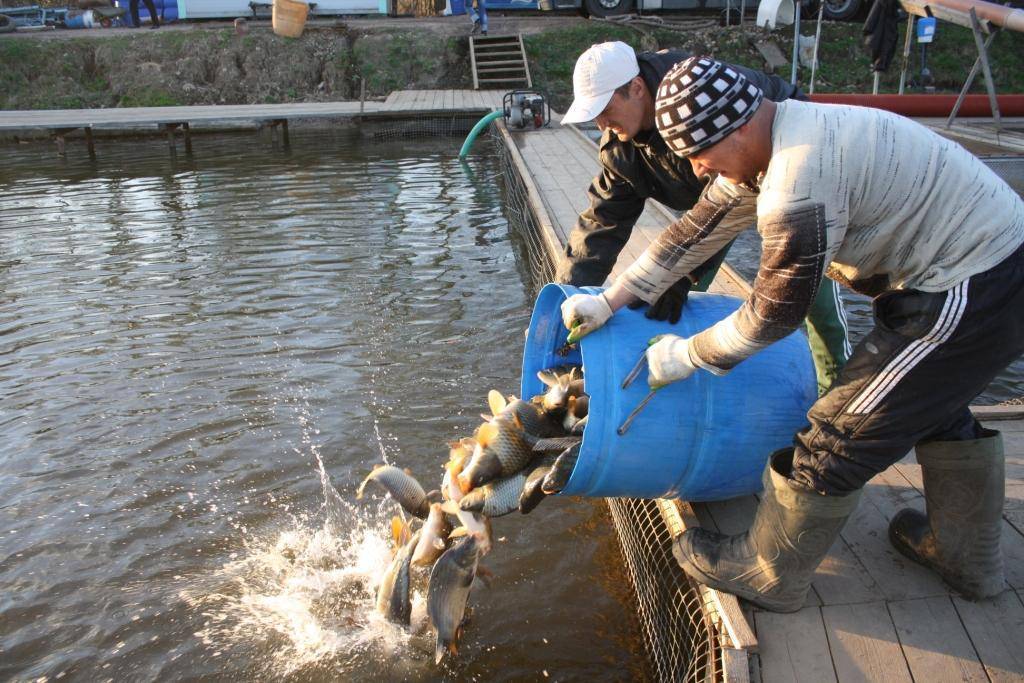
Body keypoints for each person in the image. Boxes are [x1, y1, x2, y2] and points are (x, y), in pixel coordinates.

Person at [561, 56, 1024, 611]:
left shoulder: (796, 179)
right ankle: (965, 557)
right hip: (977, 272)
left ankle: (769, 571)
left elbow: (771, 317)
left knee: (838, 430)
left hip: (977, 282)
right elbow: (691, 235)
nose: (701, 172)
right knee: (930, 402)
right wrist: (609, 300)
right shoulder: (774, 137)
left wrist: (684, 356)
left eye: (700, 158)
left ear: (733, 129)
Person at [556, 42, 851, 395]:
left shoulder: (698, 96)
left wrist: (683, 273)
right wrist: (569, 297)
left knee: (811, 290)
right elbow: (602, 222)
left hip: (786, 167)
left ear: (636, 88)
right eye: (593, 115)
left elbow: (720, 207)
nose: (601, 123)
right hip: (716, 197)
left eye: (604, 109)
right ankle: (680, 382)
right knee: (666, 296)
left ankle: (835, 393)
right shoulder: (620, 147)